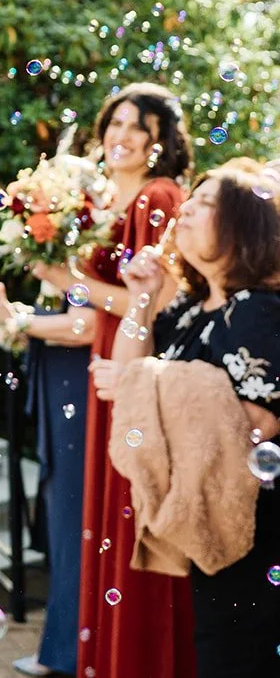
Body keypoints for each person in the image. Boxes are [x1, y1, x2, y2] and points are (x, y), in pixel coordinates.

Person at [0, 83, 195, 676]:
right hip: (93, 366)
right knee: (86, 514)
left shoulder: (156, 199)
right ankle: (86, 645)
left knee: (107, 512)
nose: (120, 137)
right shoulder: (104, 206)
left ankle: (102, 649)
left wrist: (54, 281)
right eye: (114, 124)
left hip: (115, 368)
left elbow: (133, 304)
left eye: (137, 128)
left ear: (161, 142)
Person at [91, 158, 280, 678]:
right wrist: (143, 299)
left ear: (244, 224)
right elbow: (128, 388)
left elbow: (255, 424)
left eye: (206, 202)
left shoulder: (263, 311)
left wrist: (144, 384)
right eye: (189, 200)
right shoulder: (194, 311)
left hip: (264, 534)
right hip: (215, 525)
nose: (187, 207)